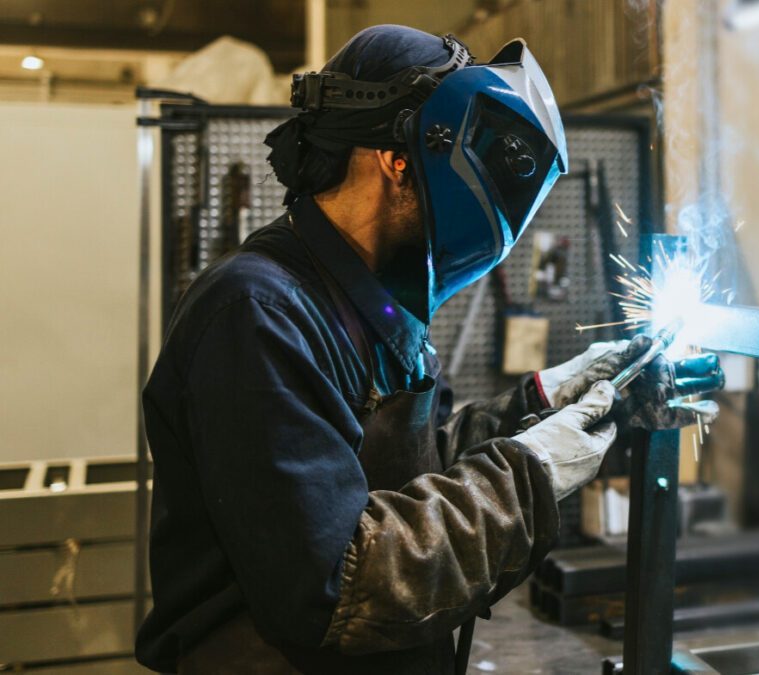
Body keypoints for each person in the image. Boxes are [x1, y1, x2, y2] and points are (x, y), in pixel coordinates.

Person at [135, 25, 718, 674]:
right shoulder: (259, 315)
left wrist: (544, 403)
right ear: (399, 158)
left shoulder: (372, 300)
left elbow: (410, 475)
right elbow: (337, 583)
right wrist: (532, 470)